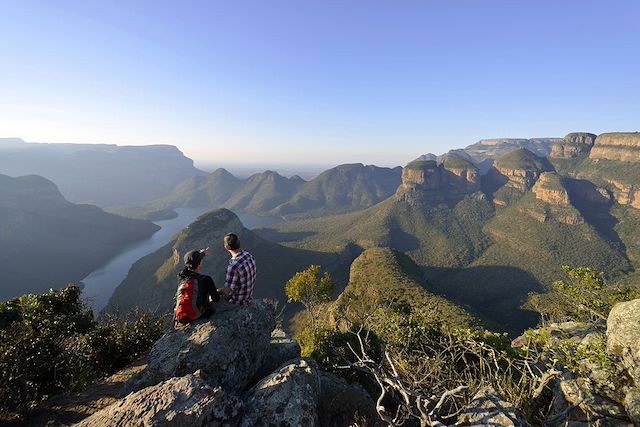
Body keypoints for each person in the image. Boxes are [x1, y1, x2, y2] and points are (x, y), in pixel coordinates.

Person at [174, 248, 220, 325]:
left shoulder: (181, 277)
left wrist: (202, 254)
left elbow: (189, 265)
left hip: (181, 316)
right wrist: (220, 291)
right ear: (200, 263)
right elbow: (216, 299)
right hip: (198, 314)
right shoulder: (206, 279)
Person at [218, 233, 256, 306]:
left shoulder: (233, 267)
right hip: (248, 296)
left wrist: (216, 291)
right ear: (239, 243)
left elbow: (227, 291)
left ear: (226, 247)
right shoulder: (248, 255)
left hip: (236, 301)